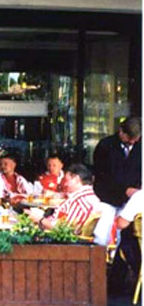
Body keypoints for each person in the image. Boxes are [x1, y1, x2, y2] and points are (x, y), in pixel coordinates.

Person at [93, 117, 142, 294]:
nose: (132, 143)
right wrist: (124, 190)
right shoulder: (105, 147)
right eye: (130, 139)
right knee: (102, 237)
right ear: (121, 131)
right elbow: (102, 177)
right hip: (108, 198)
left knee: (128, 241)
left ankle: (119, 282)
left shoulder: (140, 147)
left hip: (131, 200)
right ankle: (98, 278)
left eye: (136, 140)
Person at [28, 164, 100, 234]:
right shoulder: (88, 197)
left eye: (67, 180)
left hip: (60, 243)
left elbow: (65, 231)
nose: (65, 184)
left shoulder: (79, 202)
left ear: (76, 179)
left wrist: (40, 219)